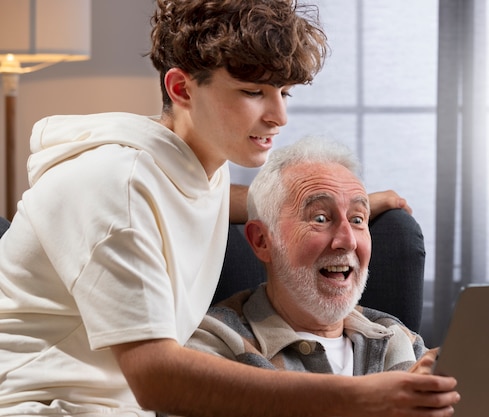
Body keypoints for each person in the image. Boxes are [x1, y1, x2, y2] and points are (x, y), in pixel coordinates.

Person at [0, 1, 445, 417]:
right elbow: (156, 377)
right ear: (181, 88)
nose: (278, 116)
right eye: (253, 91)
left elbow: (206, 198)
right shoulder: (114, 186)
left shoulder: (186, 169)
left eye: (283, 93)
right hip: (44, 406)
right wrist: (359, 397)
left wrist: (343, 206)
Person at [187, 136, 489, 417]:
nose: (346, 241)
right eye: (320, 218)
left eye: (358, 218)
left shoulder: (396, 339)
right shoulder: (211, 346)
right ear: (262, 241)